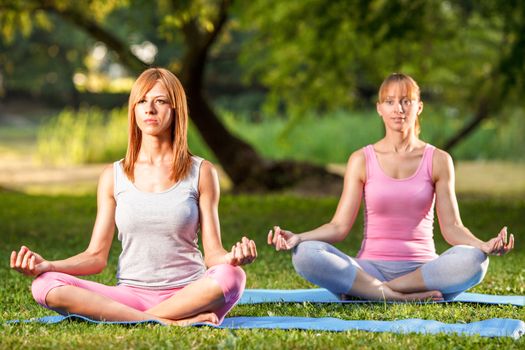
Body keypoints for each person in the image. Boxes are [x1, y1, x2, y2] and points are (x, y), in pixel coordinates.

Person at [10, 67, 257, 326]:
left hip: (190, 293)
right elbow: (95, 257)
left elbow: (213, 254)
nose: (149, 109)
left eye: (160, 101)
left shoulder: (201, 172)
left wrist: (231, 258)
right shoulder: (113, 175)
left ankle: (147, 318)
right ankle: (170, 321)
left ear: (176, 109)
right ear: (134, 110)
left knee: (233, 276)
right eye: (142, 101)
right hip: (130, 296)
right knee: (44, 285)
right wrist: (48, 265)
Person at [268, 73, 514, 301]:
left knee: (476, 260)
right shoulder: (361, 160)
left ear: (419, 107)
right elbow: (338, 227)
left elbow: (452, 228)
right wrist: (299, 237)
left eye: (406, 101)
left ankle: (374, 292)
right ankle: (392, 294)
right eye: (390, 101)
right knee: (305, 254)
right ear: (379, 109)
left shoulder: (438, 159)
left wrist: (482, 245)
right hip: (369, 268)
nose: (398, 109)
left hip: (423, 270)